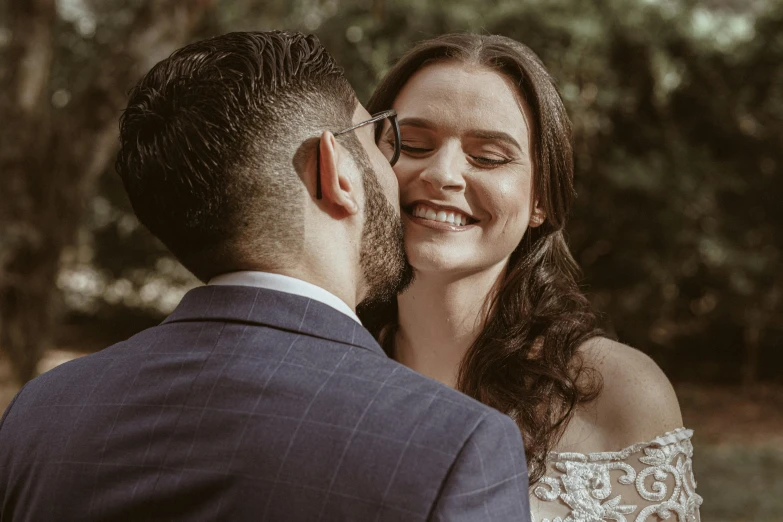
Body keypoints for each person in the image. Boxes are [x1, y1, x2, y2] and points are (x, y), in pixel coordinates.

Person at [0, 31, 531, 522]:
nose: (402, 174)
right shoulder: (454, 446)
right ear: (336, 171)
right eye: (383, 138)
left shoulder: (43, 412)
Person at [361, 33, 703, 521]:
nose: (443, 173)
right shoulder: (316, 371)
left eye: (488, 157)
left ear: (540, 198)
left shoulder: (622, 392)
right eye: (414, 144)